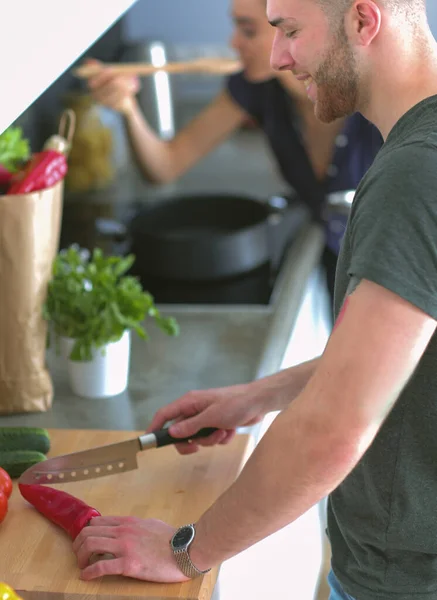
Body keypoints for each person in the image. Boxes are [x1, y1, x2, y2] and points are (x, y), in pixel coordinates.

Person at [72, 0, 437, 599]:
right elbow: (410, 358)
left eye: (289, 30)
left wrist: (186, 550)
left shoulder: (414, 174)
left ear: (364, 20)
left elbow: (333, 430)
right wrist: (258, 396)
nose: (276, 56)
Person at [86, 0, 382, 308]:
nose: (233, 42)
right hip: (339, 264)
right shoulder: (256, 87)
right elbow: (165, 166)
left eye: (249, 30)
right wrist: (127, 108)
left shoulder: (375, 89)